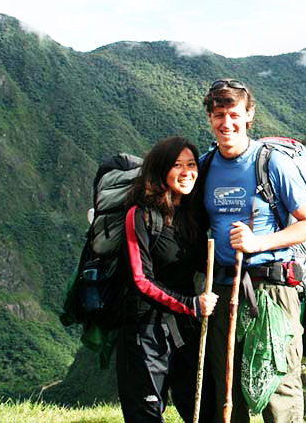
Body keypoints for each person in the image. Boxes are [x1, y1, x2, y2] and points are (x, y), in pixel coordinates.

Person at [194, 79, 306, 423]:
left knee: (277, 389)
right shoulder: (205, 167)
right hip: (222, 288)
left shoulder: (272, 164)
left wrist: (258, 242)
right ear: (210, 118)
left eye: (234, 114)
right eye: (219, 114)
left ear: (249, 115)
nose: (227, 123)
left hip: (272, 290)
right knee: (228, 390)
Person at [117, 136, 219, 423]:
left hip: (185, 329)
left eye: (191, 165)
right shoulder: (140, 215)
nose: (187, 172)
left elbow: (203, 262)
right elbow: (140, 279)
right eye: (177, 165)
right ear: (161, 169)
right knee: (147, 414)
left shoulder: (192, 214)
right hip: (146, 330)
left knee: (202, 407)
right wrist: (191, 305)